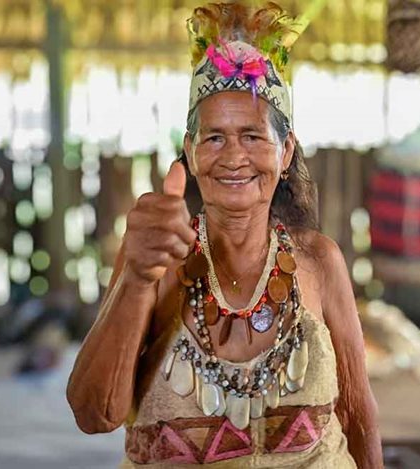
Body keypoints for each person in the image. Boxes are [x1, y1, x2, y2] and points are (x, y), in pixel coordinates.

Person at [67, 3, 383, 467]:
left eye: (253, 136)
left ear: (285, 151)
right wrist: (137, 278)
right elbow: (95, 415)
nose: (234, 156)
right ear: (191, 154)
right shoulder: (155, 257)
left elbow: (357, 413)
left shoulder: (319, 261)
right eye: (214, 137)